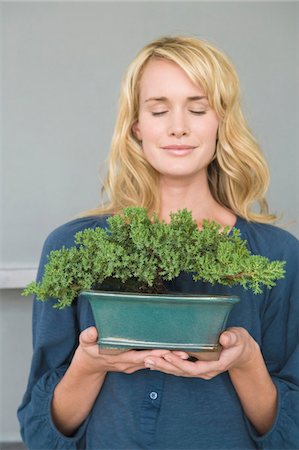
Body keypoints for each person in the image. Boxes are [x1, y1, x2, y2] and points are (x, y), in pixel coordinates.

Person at [18, 36, 299, 449]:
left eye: (198, 108)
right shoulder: (74, 248)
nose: (178, 126)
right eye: (159, 109)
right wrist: (90, 365)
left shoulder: (276, 254)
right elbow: (43, 432)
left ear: (222, 121)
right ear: (136, 125)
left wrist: (245, 361)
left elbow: (288, 434)